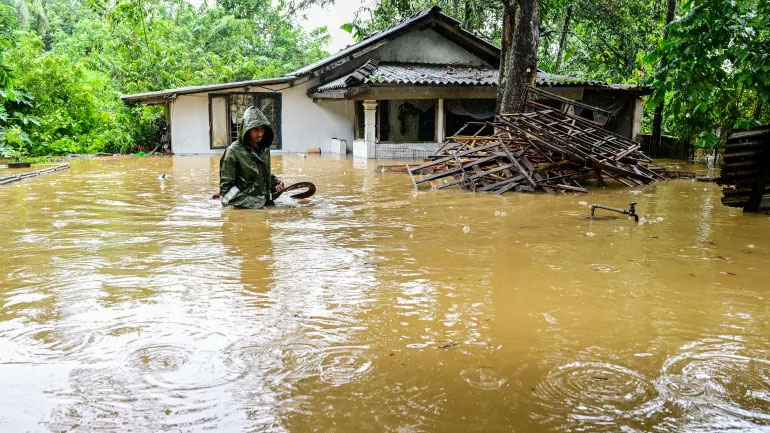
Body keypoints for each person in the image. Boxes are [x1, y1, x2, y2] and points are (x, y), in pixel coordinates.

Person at [219, 106, 285, 209]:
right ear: (246, 129)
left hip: (265, 204)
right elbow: (226, 193)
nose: (260, 134)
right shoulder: (232, 152)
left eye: (262, 129)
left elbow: (262, 174)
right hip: (244, 211)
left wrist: (275, 183)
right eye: (255, 130)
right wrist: (255, 204)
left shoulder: (264, 149)